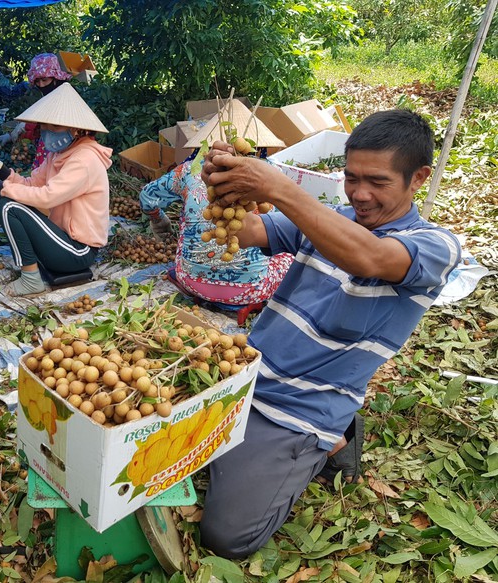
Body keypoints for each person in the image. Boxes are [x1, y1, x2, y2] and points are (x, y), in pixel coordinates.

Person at [197, 109, 461, 558]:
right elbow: (247, 229)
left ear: (418, 178)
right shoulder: (330, 218)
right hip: (244, 373)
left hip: (300, 405)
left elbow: (371, 259)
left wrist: (279, 187)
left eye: (377, 182)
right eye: (351, 177)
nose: (359, 193)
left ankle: (329, 437)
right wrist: (224, 183)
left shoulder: (436, 247)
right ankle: (315, 440)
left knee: (226, 538)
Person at [0, 83, 112, 296]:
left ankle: (31, 278)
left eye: (55, 127)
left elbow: (47, 198)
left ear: (76, 129)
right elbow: (29, 185)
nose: (48, 132)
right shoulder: (57, 154)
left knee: (9, 206)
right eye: (45, 126)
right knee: (4, 196)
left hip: (78, 251)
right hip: (60, 236)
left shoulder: (85, 160)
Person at [140, 159, 293, 323]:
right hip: (251, 290)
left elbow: (147, 196)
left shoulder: (190, 169)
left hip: (190, 280)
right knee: (292, 251)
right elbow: (286, 218)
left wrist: (158, 220)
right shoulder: (270, 171)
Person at [0, 53, 72, 169]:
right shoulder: (50, 94)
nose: (41, 85)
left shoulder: (63, 94)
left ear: (55, 78)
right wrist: (12, 134)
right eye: (37, 81)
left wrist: (21, 128)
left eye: (44, 80)